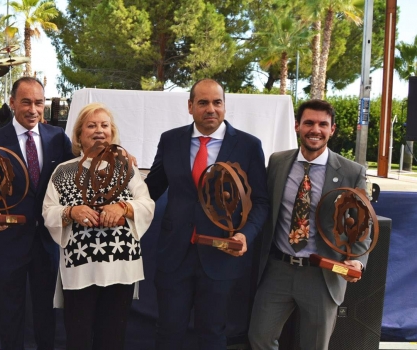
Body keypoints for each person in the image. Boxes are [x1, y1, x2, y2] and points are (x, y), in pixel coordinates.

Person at [144, 78, 269, 349]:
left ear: (224, 106)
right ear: (190, 107)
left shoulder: (248, 146)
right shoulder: (170, 140)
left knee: (212, 335)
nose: (210, 109)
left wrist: (246, 235)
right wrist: (124, 183)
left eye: (217, 102)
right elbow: (150, 189)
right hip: (174, 254)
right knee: (168, 332)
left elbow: (261, 201)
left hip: (221, 257)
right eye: (203, 103)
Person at [248, 99, 368, 350]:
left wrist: (358, 260)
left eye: (323, 124)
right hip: (277, 270)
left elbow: (362, 224)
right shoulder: (278, 162)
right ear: (297, 126)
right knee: (259, 338)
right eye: (309, 123)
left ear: (332, 129)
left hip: (322, 275)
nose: (316, 129)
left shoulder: (350, 172)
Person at [41, 103, 156, 349]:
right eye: (91, 126)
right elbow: (48, 212)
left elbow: (146, 204)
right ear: (79, 135)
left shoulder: (127, 168)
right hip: (80, 268)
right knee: (78, 338)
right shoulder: (63, 172)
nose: (99, 131)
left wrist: (123, 207)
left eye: (105, 125)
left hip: (120, 267)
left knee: (112, 339)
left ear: (112, 133)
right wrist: (71, 212)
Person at [0, 76, 75, 350]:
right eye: (26, 102)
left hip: (48, 241)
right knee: (10, 312)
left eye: (39, 103)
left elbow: (74, 175)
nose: (33, 109)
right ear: (12, 103)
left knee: (46, 312)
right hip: (9, 240)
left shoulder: (58, 138)